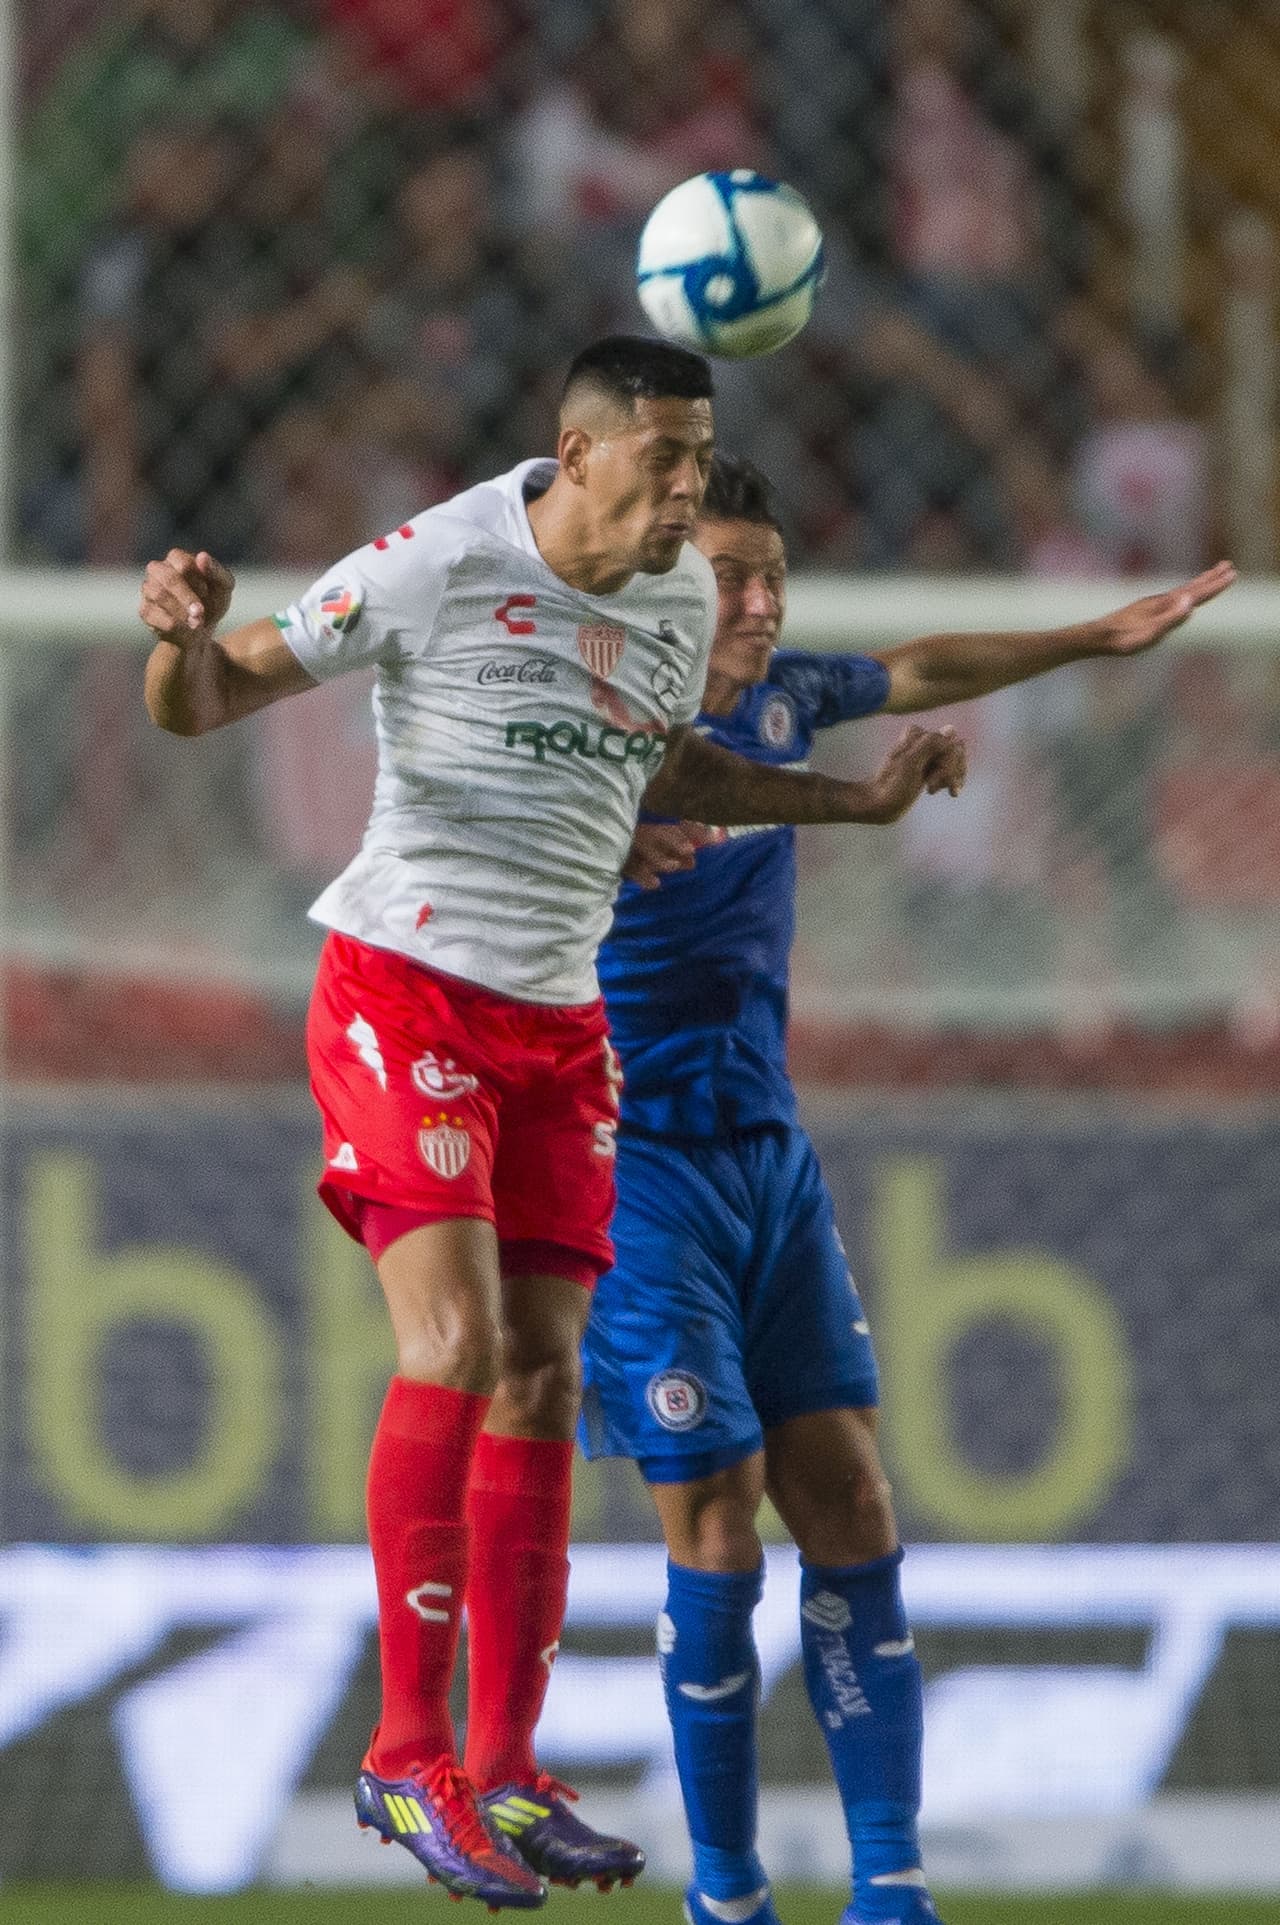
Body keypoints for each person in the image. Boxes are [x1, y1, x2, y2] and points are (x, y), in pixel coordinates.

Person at [139, 337, 965, 1911]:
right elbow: (211, 697)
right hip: (407, 987)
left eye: (698, 458)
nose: (682, 491)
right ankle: (402, 1755)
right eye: (659, 462)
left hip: (556, 1024)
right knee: (450, 1346)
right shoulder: (440, 560)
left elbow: (671, 764)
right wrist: (175, 644)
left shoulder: (670, 606)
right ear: (573, 453)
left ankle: (506, 1774)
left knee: (537, 1373)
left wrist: (854, 802)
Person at [581, 452, 1236, 1925]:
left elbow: (922, 660)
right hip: (634, 1174)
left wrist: (1092, 633)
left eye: (773, 580)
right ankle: (730, 1896)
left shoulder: (777, 699)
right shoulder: (591, 726)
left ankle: (890, 1890)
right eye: (730, 574)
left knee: (858, 1505)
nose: (756, 604)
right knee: (719, 1522)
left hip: (769, 1160)